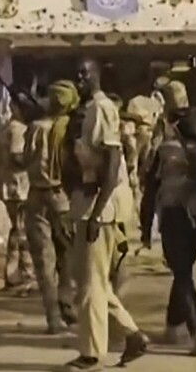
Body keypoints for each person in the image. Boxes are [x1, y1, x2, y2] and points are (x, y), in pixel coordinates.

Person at [63, 58, 149, 372]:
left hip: (99, 207)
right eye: (77, 74)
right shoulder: (85, 113)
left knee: (89, 288)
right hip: (88, 203)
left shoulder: (101, 110)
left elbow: (112, 163)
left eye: (85, 73)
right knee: (92, 281)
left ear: (97, 76)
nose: (80, 78)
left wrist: (98, 213)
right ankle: (133, 334)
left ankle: (91, 355)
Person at [140, 98, 196, 356]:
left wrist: (145, 228)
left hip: (173, 218)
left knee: (182, 273)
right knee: (182, 270)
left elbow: (150, 191)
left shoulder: (165, 152)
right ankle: (172, 326)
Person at [24, 80, 79, 333]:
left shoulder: (34, 127)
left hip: (37, 195)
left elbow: (26, 160)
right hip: (63, 196)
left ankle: (53, 317)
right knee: (67, 255)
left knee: (43, 260)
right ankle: (68, 304)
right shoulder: (71, 127)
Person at [0, 103, 34, 292]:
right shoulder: (18, 129)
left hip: (9, 185)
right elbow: (17, 156)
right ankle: (26, 275)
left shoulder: (6, 127)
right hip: (19, 187)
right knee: (23, 231)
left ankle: (12, 273)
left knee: (16, 230)